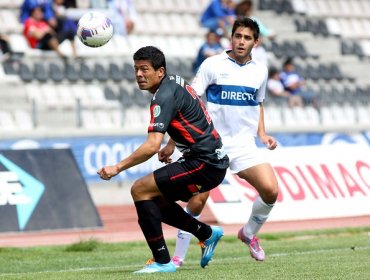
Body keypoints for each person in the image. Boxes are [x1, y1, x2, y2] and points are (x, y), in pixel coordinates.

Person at [97, 46, 229, 273]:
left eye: (144, 69)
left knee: (140, 190)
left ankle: (162, 261)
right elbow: (189, 112)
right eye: (136, 69)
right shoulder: (175, 81)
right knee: (154, 199)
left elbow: (150, 146)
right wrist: (172, 143)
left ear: (160, 71)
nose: (139, 74)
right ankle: (206, 234)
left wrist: (117, 168)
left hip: (203, 163)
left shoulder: (162, 96)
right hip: (212, 161)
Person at [171, 17, 279, 268]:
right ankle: (178, 257)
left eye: (247, 38)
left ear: (256, 42)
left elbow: (258, 103)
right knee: (196, 201)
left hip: (243, 146)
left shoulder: (260, 70)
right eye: (238, 36)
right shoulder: (212, 64)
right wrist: (172, 142)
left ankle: (249, 233)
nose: (241, 42)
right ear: (231, 38)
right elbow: (190, 100)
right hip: (211, 145)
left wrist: (262, 134)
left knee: (271, 190)